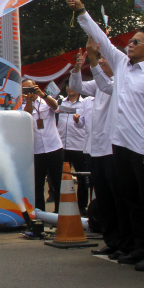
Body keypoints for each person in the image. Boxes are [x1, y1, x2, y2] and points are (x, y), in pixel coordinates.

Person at [66, 0, 144, 272]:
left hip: (142, 147)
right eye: (130, 41)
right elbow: (100, 38)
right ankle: (139, 247)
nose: (130, 45)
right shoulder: (122, 66)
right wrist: (82, 11)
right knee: (130, 201)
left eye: (136, 42)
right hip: (119, 145)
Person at [70, 41, 124, 257]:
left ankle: (124, 241)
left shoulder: (118, 83)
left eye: (104, 59)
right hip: (96, 149)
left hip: (113, 149)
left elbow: (104, 85)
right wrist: (77, 66)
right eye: (99, 58)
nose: (101, 61)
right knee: (103, 198)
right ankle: (111, 240)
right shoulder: (97, 86)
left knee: (117, 197)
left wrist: (92, 59)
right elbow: (77, 86)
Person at [20, 79, 64, 213]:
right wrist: (28, 101)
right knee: (38, 184)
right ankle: (40, 214)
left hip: (54, 146)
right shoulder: (21, 105)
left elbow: (56, 107)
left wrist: (42, 95)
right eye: (25, 90)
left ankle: (60, 213)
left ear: (36, 87)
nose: (30, 92)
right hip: (36, 150)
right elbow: (26, 116)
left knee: (58, 182)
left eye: (31, 88)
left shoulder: (45, 100)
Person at [57, 82, 92, 214]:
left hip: (78, 145)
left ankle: (82, 206)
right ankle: (61, 204)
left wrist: (77, 120)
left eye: (73, 85)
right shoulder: (60, 101)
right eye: (67, 85)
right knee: (62, 176)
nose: (70, 88)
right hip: (62, 144)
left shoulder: (84, 103)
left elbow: (82, 123)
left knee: (82, 177)